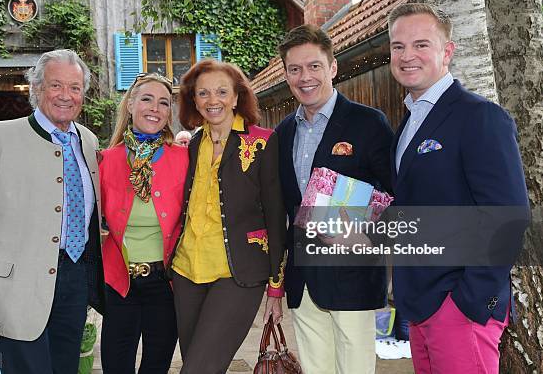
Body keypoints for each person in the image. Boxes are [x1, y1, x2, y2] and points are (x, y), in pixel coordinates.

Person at [388, 3, 530, 373]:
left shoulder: (480, 117)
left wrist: (471, 302)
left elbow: (509, 217)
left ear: (447, 51)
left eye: (421, 44)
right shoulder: (409, 123)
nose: (407, 56)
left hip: (460, 307)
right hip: (420, 306)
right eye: (398, 46)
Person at [0, 49, 105, 374]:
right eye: (55, 85)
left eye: (75, 87)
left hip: (74, 285)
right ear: (36, 89)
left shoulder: (87, 141)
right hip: (15, 294)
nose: (66, 95)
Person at [275, 24, 393, 374]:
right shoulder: (283, 133)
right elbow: (284, 207)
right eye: (294, 69)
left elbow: (396, 196)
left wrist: (367, 238)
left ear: (333, 68)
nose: (304, 77)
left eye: (313, 66)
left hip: (353, 274)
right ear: (286, 75)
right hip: (303, 279)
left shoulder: (369, 123)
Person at [170, 59, 286, 373]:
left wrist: (276, 285)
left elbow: (276, 214)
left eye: (222, 91)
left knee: (198, 369)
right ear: (194, 100)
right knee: (202, 364)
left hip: (238, 274)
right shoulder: (192, 144)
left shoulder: (262, 141)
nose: (213, 100)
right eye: (203, 93)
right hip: (186, 273)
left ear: (236, 97)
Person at [99, 72, 188, 373]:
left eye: (164, 102)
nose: (155, 108)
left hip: (166, 283)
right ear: (131, 105)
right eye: (147, 99)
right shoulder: (105, 160)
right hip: (119, 282)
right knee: (115, 364)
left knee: (156, 365)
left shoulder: (185, 158)